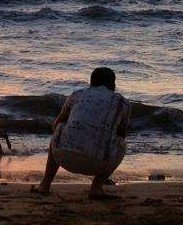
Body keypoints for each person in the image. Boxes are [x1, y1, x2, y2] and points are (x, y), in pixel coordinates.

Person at [35, 67, 130, 199]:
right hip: (98, 162)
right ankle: (96, 187)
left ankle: (45, 184)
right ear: (113, 85)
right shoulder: (122, 103)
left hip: (64, 157)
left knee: (59, 128)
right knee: (121, 143)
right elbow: (121, 134)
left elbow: (57, 123)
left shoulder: (77, 94)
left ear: (90, 83)